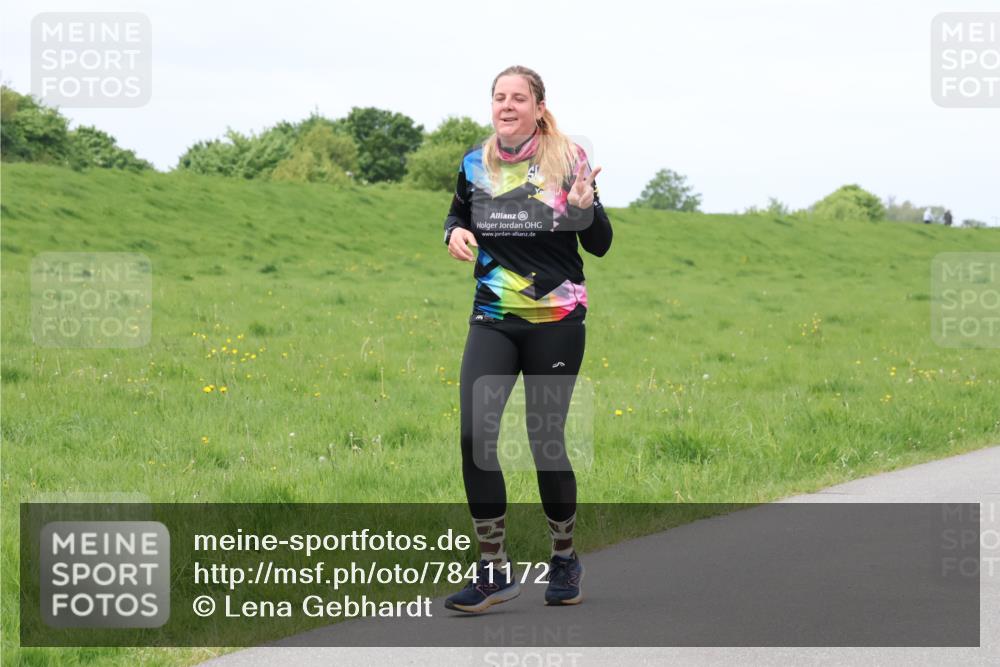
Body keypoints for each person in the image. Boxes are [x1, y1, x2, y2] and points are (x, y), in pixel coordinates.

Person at [441, 65, 613, 613]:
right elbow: (456, 215)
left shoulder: (567, 159)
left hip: (556, 322)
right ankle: (494, 570)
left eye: (519, 98)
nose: (507, 105)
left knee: (545, 442)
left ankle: (564, 559)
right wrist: (455, 232)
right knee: (474, 435)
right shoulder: (475, 162)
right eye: (499, 97)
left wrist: (584, 207)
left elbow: (602, 243)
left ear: (539, 106)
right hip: (493, 316)